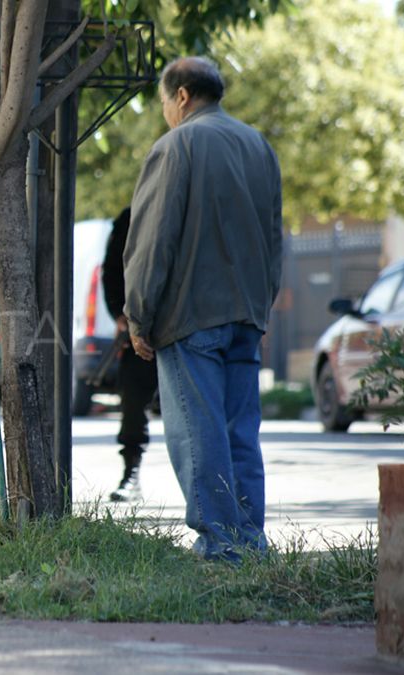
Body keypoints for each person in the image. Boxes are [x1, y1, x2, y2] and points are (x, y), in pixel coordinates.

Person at [124, 57, 282, 561]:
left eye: (165, 102)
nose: (166, 112)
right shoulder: (259, 146)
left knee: (200, 433)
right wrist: (261, 305)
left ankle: (220, 544)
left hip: (191, 316)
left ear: (184, 96)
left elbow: (153, 240)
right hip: (246, 316)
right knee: (240, 430)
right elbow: (274, 239)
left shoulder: (177, 145)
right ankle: (248, 540)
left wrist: (138, 315)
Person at [100, 207, 158, 502]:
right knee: (133, 403)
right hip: (139, 325)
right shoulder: (131, 215)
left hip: (183, 324)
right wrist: (121, 318)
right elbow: (111, 269)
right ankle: (131, 473)